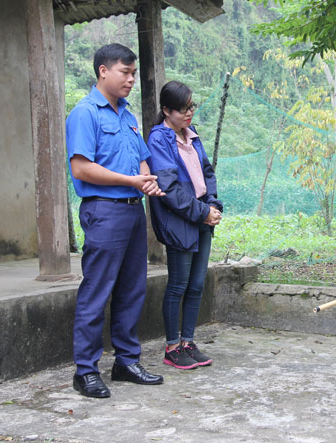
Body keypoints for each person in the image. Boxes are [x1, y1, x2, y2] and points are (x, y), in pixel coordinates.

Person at [66, 43, 166, 398]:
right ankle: (86, 371)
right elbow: (81, 167)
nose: (131, 80)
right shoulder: (85, 114)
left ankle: (126, 361)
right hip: (104, 211)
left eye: (134, 73)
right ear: (103, 71)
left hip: (132, 211)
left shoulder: (127, 116)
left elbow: (140, 159)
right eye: (125, 72)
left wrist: (146, 179)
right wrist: (130, 181)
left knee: (131, 288)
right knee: (98, 289)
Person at [146, 81, 223, 370]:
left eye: (192, 107)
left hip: (202, 215)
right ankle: (171, 347)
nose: (189, 113)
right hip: (180, 221)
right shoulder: (159, 140)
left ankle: (188, 342)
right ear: (166, 110)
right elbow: (168, 187)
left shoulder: (192, 136)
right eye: (183, 109)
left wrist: (213, 205)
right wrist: (202, 212)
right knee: (178, 284)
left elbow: (207, 174)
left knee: (197, 283)